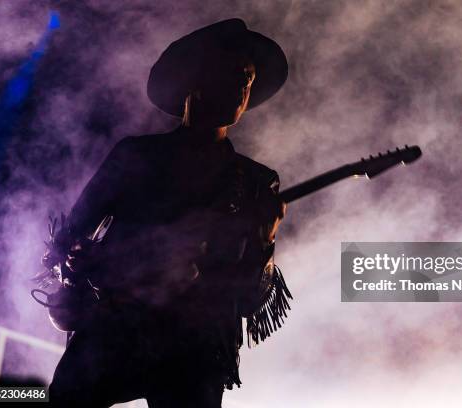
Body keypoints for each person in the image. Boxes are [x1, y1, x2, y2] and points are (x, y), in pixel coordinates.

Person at [41, 18, 291, 407]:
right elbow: (67, 238)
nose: (243, 87)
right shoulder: (136, 155)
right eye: (233, 73)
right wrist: (78, 270)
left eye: (248, 78)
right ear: (195, 79)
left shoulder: (257, 182)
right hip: (117, 327)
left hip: (195, 349)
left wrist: (265, 239)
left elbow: (249, 302)